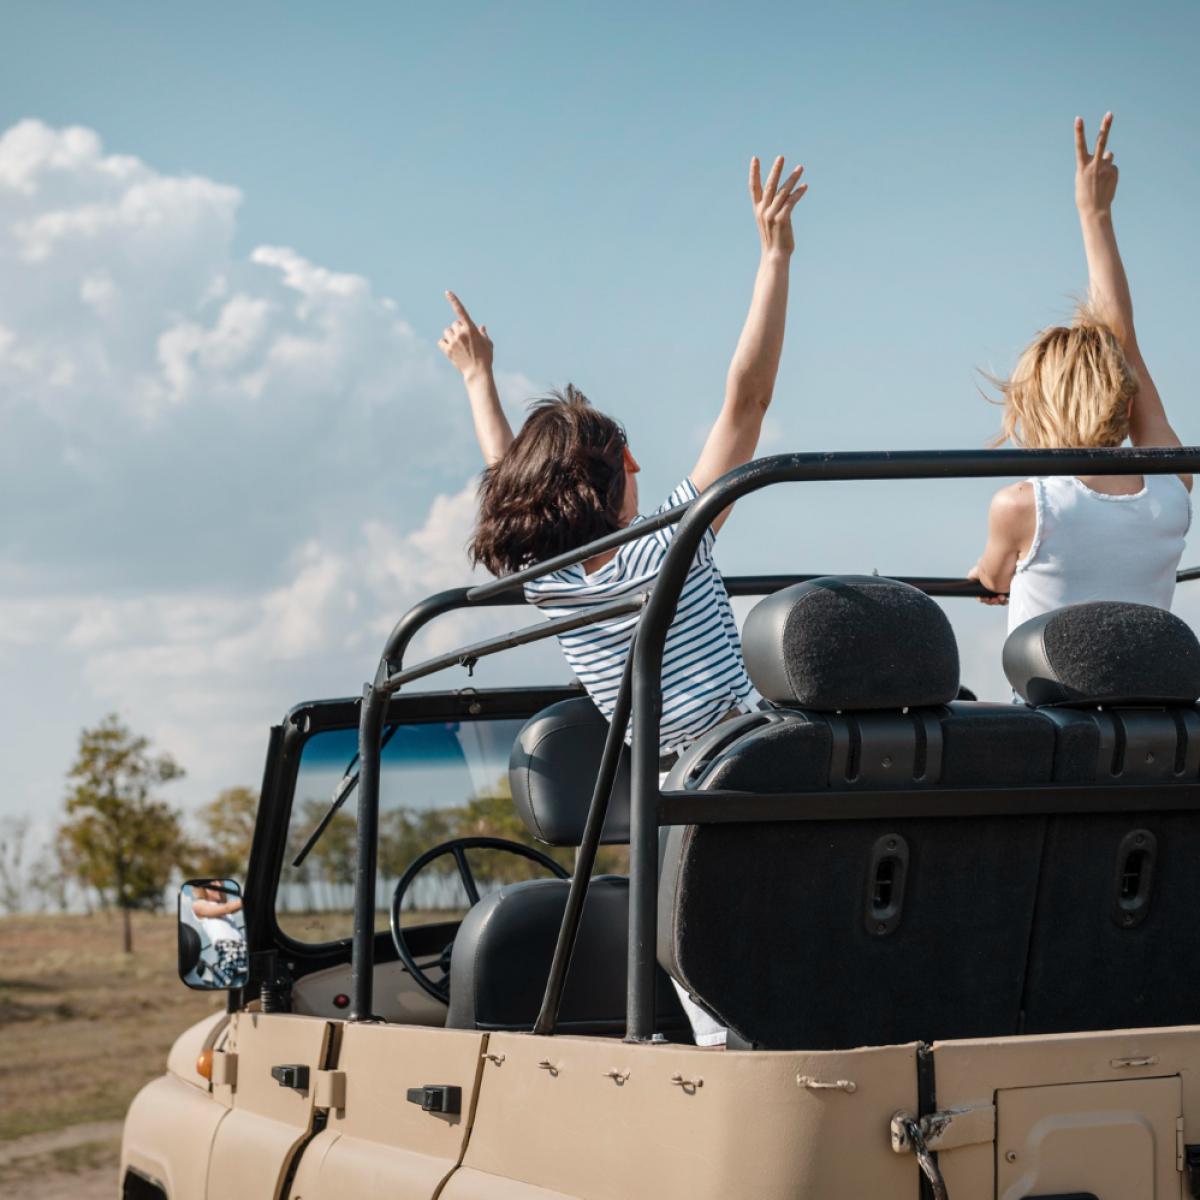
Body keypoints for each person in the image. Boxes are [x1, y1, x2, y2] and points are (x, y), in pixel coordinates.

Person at [440, 153, 807, 1048]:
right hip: (749, 765)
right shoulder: (671, 537)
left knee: (712, 1000)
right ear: (624, 474)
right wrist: (774, 257)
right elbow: (748, 398)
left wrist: (477, 377)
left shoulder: (551, 578)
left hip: (662, 793)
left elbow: (503, 472)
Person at [969, 112, 1190, 633]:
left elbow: (994, 580)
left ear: (1036, 405)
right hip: (1152, 702)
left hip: (1053, 708)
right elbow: (1124, 341)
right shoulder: (1174, 482)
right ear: (1121, 392)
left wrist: (985, 571)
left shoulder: (1022, 505)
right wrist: (1096, 216)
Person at [191, 881, 246, 986]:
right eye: (213, 883)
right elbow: (227, 908)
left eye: (220, 883)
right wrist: (247, 898)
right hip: (229, 952)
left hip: (243, 950)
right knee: (233, 982)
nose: (219, 885)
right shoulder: (198, 905)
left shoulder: (225, 910)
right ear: (203, 888)